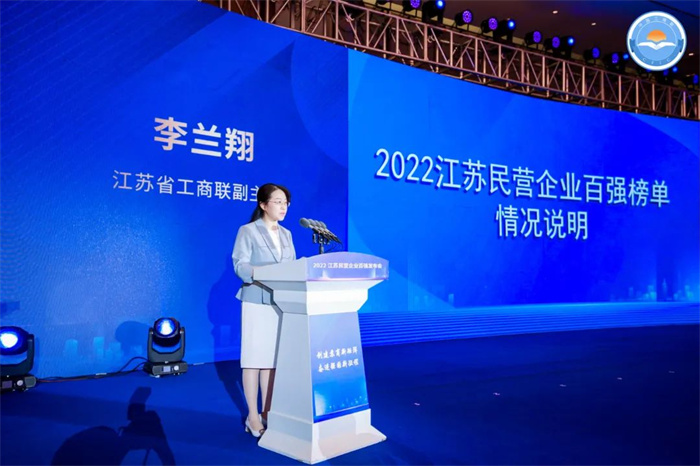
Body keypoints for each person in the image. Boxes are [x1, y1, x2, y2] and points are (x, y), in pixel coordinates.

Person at [231, 183, 296, 438]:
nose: (283, 207)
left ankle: (268, 411)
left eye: (285, 203)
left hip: (280, 302)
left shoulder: (287, 234)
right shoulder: (248, 231)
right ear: (263, 204)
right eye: (278, 202)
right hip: (256, 300)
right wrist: (265, 272)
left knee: (270, 362)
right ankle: (252, 415)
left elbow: (292, 267)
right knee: (254, 360)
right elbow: (240, 265)